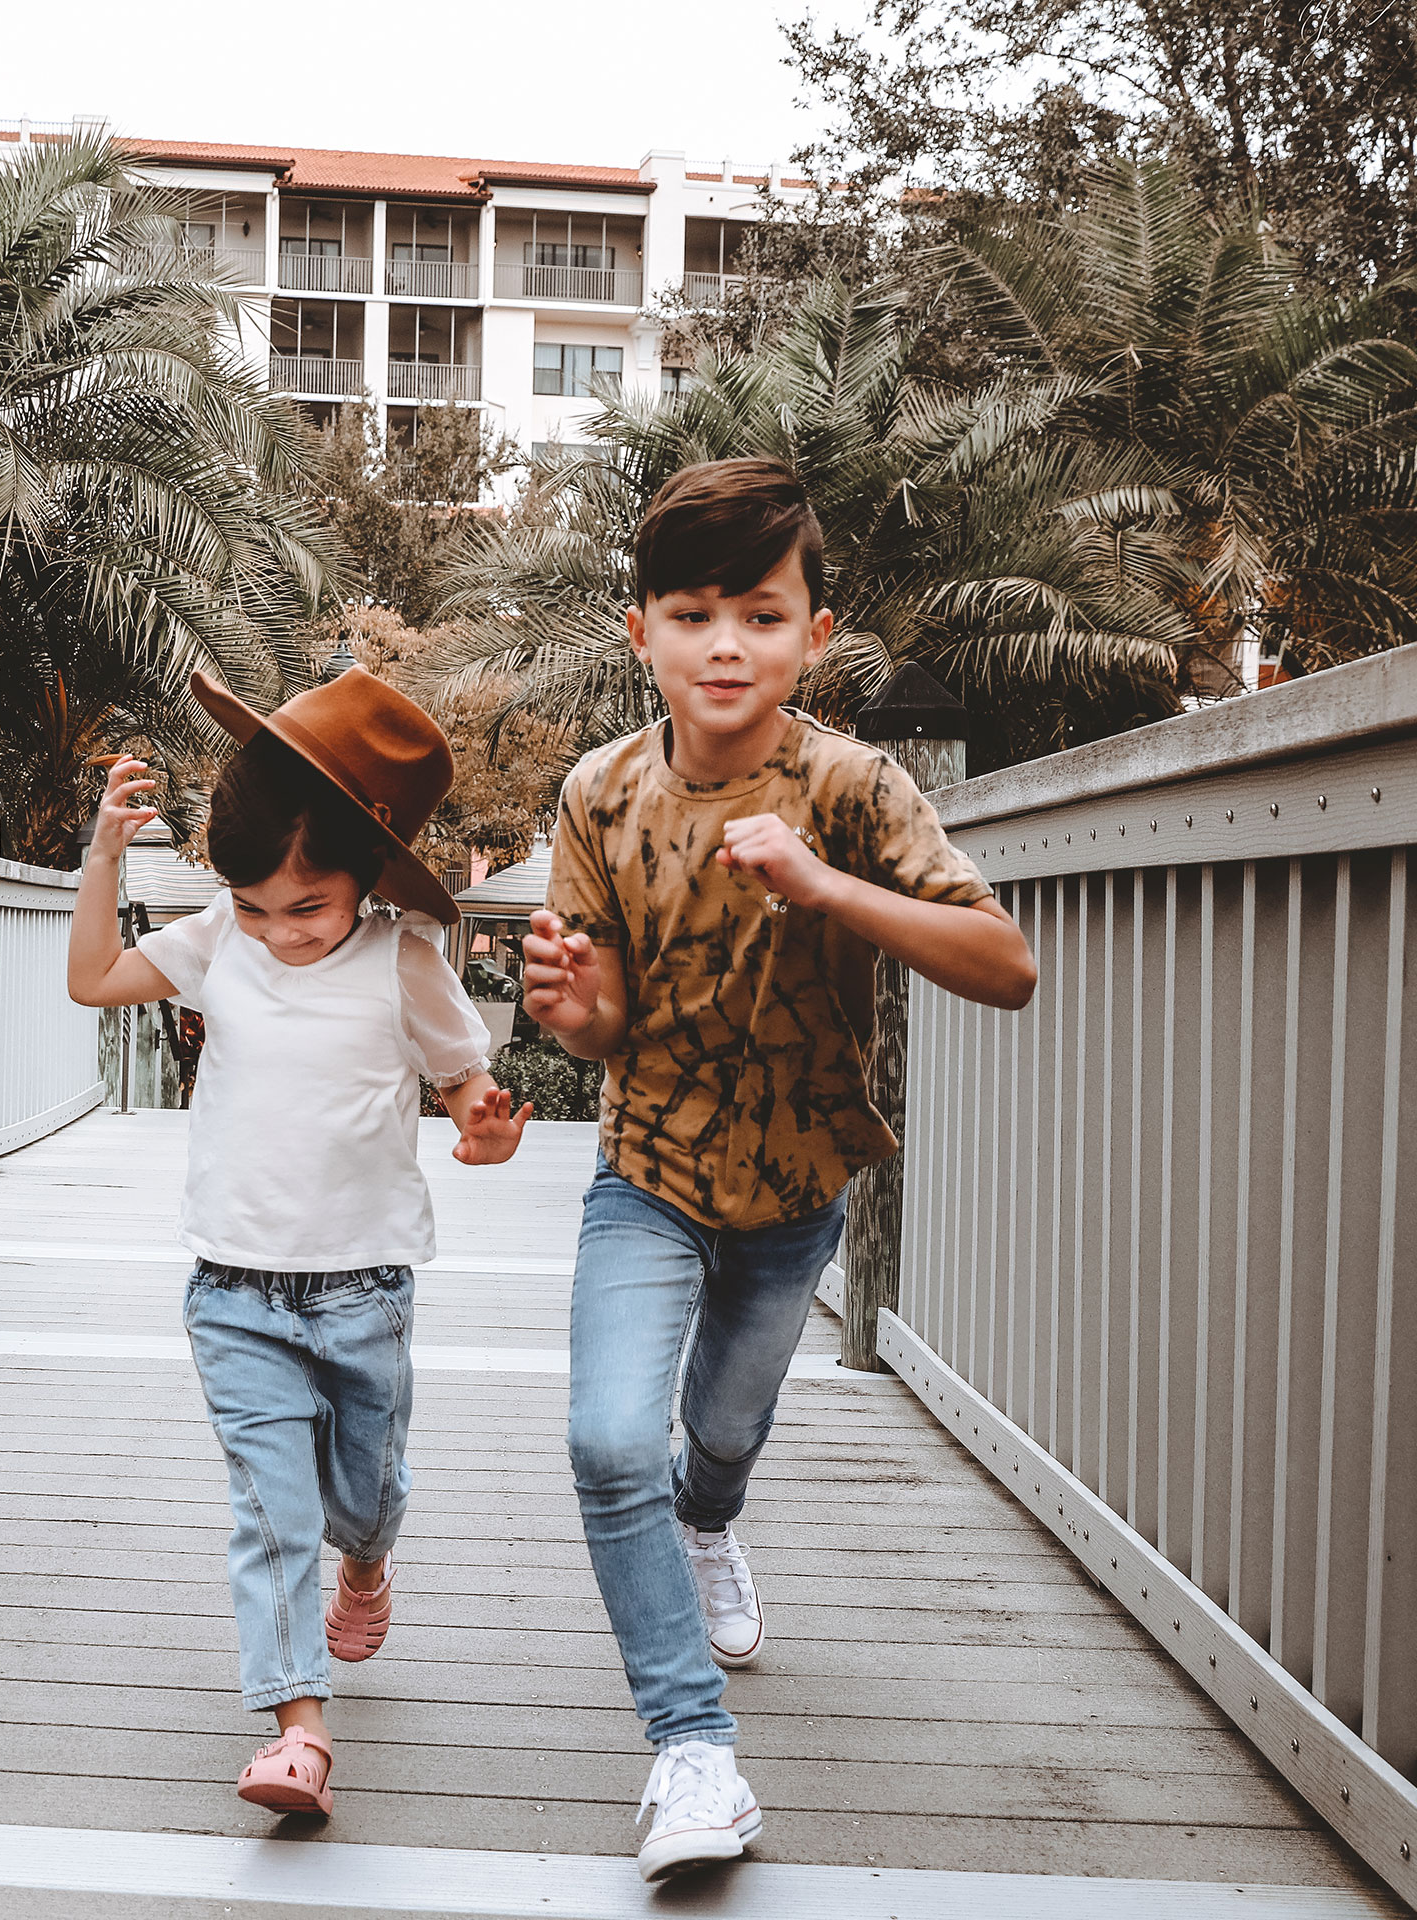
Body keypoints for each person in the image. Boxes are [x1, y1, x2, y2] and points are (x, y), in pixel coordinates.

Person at [520, 458, 1038, 1880]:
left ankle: (712, 1521)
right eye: (693, 614)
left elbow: (1006, 964)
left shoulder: (855, 787)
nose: (727, 644)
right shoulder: (597, 795)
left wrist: (827, 886)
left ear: (815, 634)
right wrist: (575, 1011)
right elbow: (605, 1016)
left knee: (723, 1434)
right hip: (648, 1169)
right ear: (643, 636)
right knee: (608, 1439)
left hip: (802, 1182)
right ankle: (692, 1755)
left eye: (761, 611)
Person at [69, 666, 530, 1819]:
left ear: (367, 882)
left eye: (307, 908)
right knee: (273, 1510)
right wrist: (103, 860)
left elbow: (466, 1080)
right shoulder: (222, 936)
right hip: (233, 1286)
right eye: (261, 906)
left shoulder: (403, 961)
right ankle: (296, 1724)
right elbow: (91, 980)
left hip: (363, 1286)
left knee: (360, 1500)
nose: (279, 931)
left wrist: (485, 1127)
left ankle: (368, 1564)